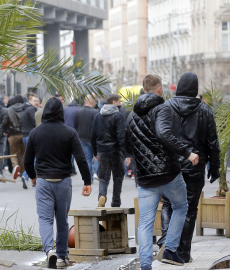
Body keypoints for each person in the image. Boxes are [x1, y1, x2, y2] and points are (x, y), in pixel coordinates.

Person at [126, 74, 198, 269]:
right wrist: (187, 153)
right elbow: (164, 133)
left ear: (143, 89)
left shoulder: (131, 115)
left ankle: (146, 265)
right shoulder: (162, 108)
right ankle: (170, 250)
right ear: (159, 89)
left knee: (145, 222)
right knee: (181, 206)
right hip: (168, 173)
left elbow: (127, 144)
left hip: (145, 178)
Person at [157, 72, 220, 263]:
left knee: (168, 204)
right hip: (195, 166)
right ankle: (182, 252)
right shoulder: (204, 110)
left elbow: (160, 136)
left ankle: (167, 244)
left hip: (170, 166)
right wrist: (214, 167)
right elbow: (212, 143)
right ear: (195, 89)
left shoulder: (165, 107)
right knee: (189, 210)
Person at [24, 97, 92, 269]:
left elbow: (27, 161)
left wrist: (33, 176)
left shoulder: (35, 132)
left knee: (45, 220)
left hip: (43, 181)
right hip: (63, 181)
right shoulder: (69, 132)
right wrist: (87, 181)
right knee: (62, 221)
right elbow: (81, 159)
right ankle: (62, 256)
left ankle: (49, 251)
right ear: (61, 112)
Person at [91, 94, 128, 207]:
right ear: (113, 102)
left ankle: (102, 196)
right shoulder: (118, 116)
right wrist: (125, 153)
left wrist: (95, 152)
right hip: (116, 151)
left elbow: (93, 135)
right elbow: (121, 136)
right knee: (118, 177)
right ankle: (116, 202)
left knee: (103, 178)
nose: (120, 104)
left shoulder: (98, 116)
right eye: (119, 102)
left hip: (102, 151)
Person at [74, 95, 98, 183]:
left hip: (82, 138)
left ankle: (89, 178)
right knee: (96, 157)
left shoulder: (79, 112)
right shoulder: (95, 112)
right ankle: (96, 173)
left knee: (87, 158)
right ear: (91, 101)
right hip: (93, 138)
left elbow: (75, 125)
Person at [3, 95, 26, 186]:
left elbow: (4, 122)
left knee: (13, 153)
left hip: (13, 134)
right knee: (23, 154)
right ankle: (23, 172)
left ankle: (15, 165)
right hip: (24, 133)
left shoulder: (9, 109)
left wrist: (5, 132)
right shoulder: (25, 108)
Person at [20, 93, 41, 184]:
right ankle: (26, 175)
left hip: (25, 136)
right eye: (35, 101)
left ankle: (32, 178)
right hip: (31, 136)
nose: (37, 102)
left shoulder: (24, 110)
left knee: (31, 157)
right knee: (36, 158)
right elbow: (36, 122)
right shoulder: (32, 110)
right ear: (30, 101)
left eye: (38, 101)